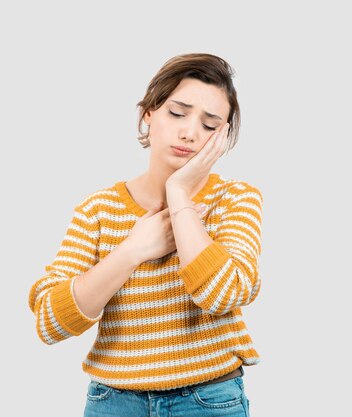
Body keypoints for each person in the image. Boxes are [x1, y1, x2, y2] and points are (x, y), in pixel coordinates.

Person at [28, 53, 263, 417]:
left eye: (210, 124)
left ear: (223, 136)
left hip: (209, 400)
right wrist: (133, 250)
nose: (189, 132)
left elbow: (223, 293)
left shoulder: (235, 200)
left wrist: (180, 195)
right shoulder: (98, 209)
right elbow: (50, 322)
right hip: (113, 403)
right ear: (148, 114)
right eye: (177, 112)